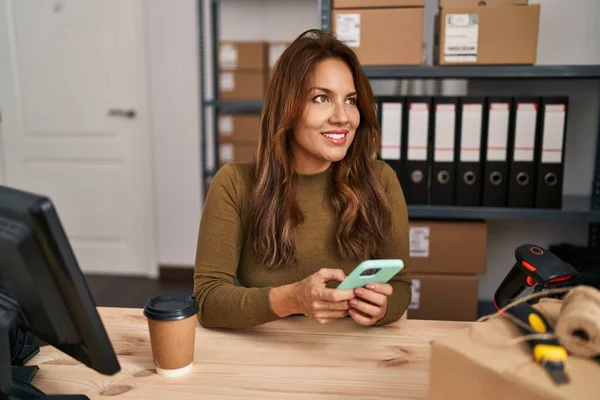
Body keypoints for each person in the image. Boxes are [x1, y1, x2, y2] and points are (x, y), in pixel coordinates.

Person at [193, 29, 411, 329]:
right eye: (322, 98)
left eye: (350, 100)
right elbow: (207, 301)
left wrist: (383, 308)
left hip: (350, 352)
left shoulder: (380, 180)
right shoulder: (234, 184)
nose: (342, 117)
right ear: (287, 108)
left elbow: (400, 286)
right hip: (263, 354)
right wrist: (293, 299)